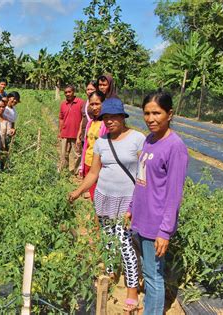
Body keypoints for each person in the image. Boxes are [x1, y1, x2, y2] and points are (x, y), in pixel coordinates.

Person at [69, 97, 145, 313]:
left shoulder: (137, 139)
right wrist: (77, 192)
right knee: (107, 239)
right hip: (103, 197)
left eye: (113, 117)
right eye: (106, 118)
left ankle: (131, 289)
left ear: (123, 117)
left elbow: (143, 174)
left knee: (126, 244)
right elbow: (94, 172)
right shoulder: (102, 142)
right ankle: (111, 273)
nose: (109, 121)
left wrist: (137, 203)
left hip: (126, 200)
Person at [126, 92, 188, 315]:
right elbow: (140, 178)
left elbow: (174, 194)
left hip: (156, 224)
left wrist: (165, 231)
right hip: (141, 218)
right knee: (149, 271)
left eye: (157, 113)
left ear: (169, 114)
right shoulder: (149, 140)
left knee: (153, 277)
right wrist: (132, 207)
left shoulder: (175, 146)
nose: (151, 118)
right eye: (146, 113)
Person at [77, 91, 108, 200]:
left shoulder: (106, 124)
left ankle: (97, 216)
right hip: (88, 163)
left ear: (104, 103)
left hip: (99, 166)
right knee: (92, 195)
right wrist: (82, 165)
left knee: (99, 196)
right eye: (92, 104)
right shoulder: (90, 123)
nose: (94, 107)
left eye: (97, 103)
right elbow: (86, 145)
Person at [58, 84, 85, 174]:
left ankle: (76, 171)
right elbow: (61, 118)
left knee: (77, 153)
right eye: (66, 92)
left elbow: (83, 118)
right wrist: (60, 131)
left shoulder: (80, 102)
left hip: (76, 133)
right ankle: (64, 171)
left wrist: (80, 133)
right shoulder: (63, 104)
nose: (68, 94)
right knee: (64, 153)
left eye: (69, 92)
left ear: (73, 92)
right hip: (65, 132)